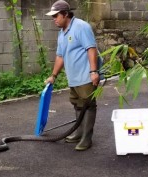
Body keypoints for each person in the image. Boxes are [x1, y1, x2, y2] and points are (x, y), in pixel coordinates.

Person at [44, 0, 102, 151]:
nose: (54, 19)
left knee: (88, 106)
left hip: (86, 76)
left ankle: (86, 139)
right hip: (73, 78)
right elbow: (60, 56)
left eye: (56, 16)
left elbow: (91, 49)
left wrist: (94, 72)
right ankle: (79, 133)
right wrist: (53, 75)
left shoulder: (81, 27)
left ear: (65, 14)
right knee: (77, 104)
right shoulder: (62, 33)